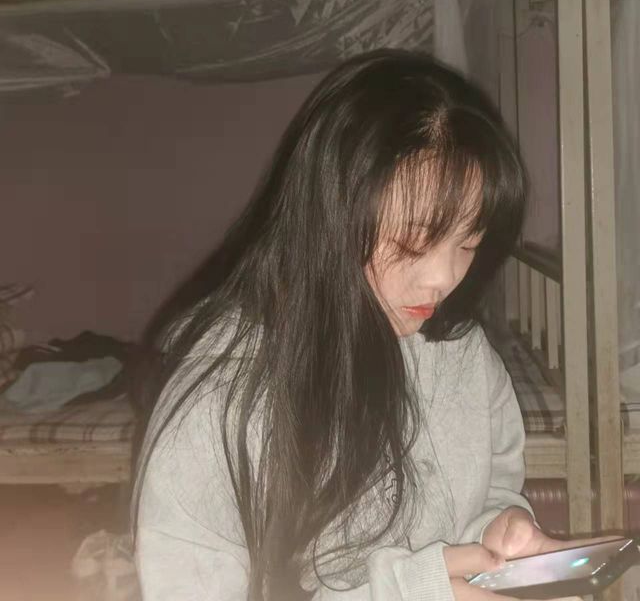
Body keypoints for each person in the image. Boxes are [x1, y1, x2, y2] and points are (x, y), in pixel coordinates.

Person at [133, 49, 571, 601]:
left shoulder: (460, 350)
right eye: (412, 241)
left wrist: (498, 527)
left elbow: (493, 483)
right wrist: (411, 591)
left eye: (469, 244)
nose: (444, 279)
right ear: (331, 217)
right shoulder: (222, 395)